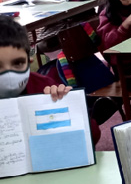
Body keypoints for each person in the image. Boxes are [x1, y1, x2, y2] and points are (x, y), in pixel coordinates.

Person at [0, 16, 100, 145]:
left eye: (18, 63)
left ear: (28, 61)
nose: (9, 74)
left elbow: (93, 136)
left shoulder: (45, 88)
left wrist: (68, 107)